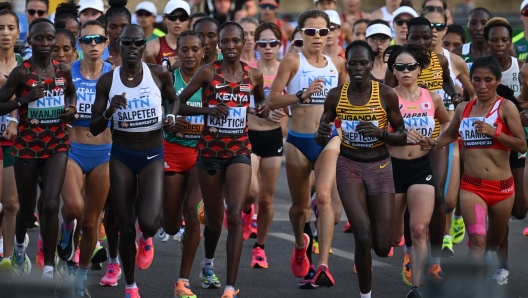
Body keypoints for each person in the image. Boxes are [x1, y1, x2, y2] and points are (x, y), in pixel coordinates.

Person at [177, 21, 269, 298]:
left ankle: (230, 287)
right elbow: (178, 102)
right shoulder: (207, 72)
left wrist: (263, 110)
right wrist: (207, 110)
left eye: (235, 42)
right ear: (218, 45)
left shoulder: (253, 75)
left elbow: (259, 106)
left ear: (243, 43)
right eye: (225, 42)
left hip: (240, 150)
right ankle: (203, 267)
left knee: (235, 215)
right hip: (210, 154)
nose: (230, 47)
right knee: (214, 222)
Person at [91, 24, 179, 298]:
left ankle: (146, 237)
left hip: (152, 155)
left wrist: (172, 118)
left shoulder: (158, 73)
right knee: (125, 225)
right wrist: (109, 111)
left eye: (137, 43)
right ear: (119, 47)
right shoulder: (108, 81)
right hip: (122, 156)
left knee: (150, 223)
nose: (131, 48)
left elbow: (174, 100)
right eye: (126, 43)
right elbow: (94, 127)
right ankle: (131, 286)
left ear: (144, 46)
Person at [420, 55, 526, 280]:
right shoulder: (463, 109)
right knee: (477, 242)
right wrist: (434, 142)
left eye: (488, 80)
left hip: (502, 189)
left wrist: (495, 132)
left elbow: (521, 144)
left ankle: (490, 257)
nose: (481, 85)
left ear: (497, 81)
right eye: (476, 80)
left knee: (493, 243)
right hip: (472, 187)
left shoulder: (506, 108)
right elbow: (450, 135)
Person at [315, 40, 406, 298]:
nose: (357, 68)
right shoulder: (336, 96)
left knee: (381, 244)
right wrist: (321, 134)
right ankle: (365, 295)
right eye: (352, 63)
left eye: (362, 63)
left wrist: (381, 133)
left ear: (370, 65)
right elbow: (321, 137)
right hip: (349, 166)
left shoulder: (386, 94)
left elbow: (401, 135)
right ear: (347, 65)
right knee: (362, 236)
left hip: (379, 166)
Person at [267, 9, 346, 288]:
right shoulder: (291, 61)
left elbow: (345, 102)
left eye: (322, 31)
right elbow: (271, 101)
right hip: (299, 140)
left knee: (323, 196)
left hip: (328, 139)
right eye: (310, 31)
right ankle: (301, 245)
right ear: (300, 33)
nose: (317, 37)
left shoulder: (337, 63)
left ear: (330, 33)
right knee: (300, 208)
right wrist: (301, 95)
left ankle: (322, 264)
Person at [385, 16, 463, 286]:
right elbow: (383, 104)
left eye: (424, 37)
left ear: (432, 37)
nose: (420, 41)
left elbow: (448, 92)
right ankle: (406, 250)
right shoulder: (394, 77)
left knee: (439, 198)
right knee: (389, 238)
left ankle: (433, 264)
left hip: (430, 143)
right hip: (397, 154)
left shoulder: (440, 61)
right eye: (414, 38)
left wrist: (436, 140)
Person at [0, 18, 77, 281]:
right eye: (39, 39)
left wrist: (71, 109)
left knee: (52, 203)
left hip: (57, 144)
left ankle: (47, 267)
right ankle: (20, 246)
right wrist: (24, 99)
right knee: (26, 208)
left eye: (49, 38)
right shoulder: (21, 73)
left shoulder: (62, 70)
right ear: (30, 41)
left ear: (55, 40)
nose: (45, 44)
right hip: (27, 149)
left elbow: (71, 94)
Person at [56, 19, 113, 296]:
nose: (93, 44)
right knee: (74, 208)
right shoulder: (68, 71)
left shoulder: (115, 73)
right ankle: (66, 229)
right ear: (79, 44)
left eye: (98, 39)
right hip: (73, 149)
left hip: (104, 153)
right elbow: (55, 102)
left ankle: (80, 277)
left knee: (91, 223)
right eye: (87, 40)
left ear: (106, 43)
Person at [159, 30, 208, 298]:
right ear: (177, 51)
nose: (190, 54)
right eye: (184, 49)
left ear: (203, 51)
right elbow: (157, 109)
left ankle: (182, 282)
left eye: (195, 49)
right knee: (170, 225)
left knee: (193, 213)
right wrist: (169, 118)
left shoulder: (211, 80)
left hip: (201, 154)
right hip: (173, 152)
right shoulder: (169, 78)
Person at [485, 17, 527, 286]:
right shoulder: (477, 70)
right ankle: (500, 264)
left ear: (510, 42)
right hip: (488, 147)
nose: (499, 44)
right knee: (498, 209)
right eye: (494, 40)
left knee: (521, 210)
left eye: (504, 40)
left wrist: (523, 114)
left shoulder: (520, 68)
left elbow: (525, 100)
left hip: (514, 144)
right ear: (486, 42)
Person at [243, 21, 286, 267]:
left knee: (267, 199)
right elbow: (238, 105)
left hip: (273, 139)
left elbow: (292, 103)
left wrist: (283, 113)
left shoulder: (286, 70)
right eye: (263, 43)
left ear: (280, 45)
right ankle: (246, 210)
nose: (268, 47)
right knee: (251, 191)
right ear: (256, 45)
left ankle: (259, 247)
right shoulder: (247, 69)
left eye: (273, 43)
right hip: (249, 136)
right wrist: (261, 111)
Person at [0, 2, 26, 276]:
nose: (5, 33)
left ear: (19, 32)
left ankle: (8, 261)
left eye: (10, 28)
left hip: (15, 142)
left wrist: (14, 120)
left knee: (11, 203)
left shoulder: (26, 65)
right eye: (0, 29)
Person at [102, 0, 156, 65]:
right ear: (106, 29)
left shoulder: (144, 56)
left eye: (124, 27)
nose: (119, 32)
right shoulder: (97, 57)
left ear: (130, 27)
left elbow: (159, 74)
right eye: (113, 27)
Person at [146, 0, 190, 65]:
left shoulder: (196, 46)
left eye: (182, 17)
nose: (177, 22)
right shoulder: (153, 46)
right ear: (164, 19)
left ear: (189, 20)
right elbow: (142, 72)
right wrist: (166, 69)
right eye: (172, 17)